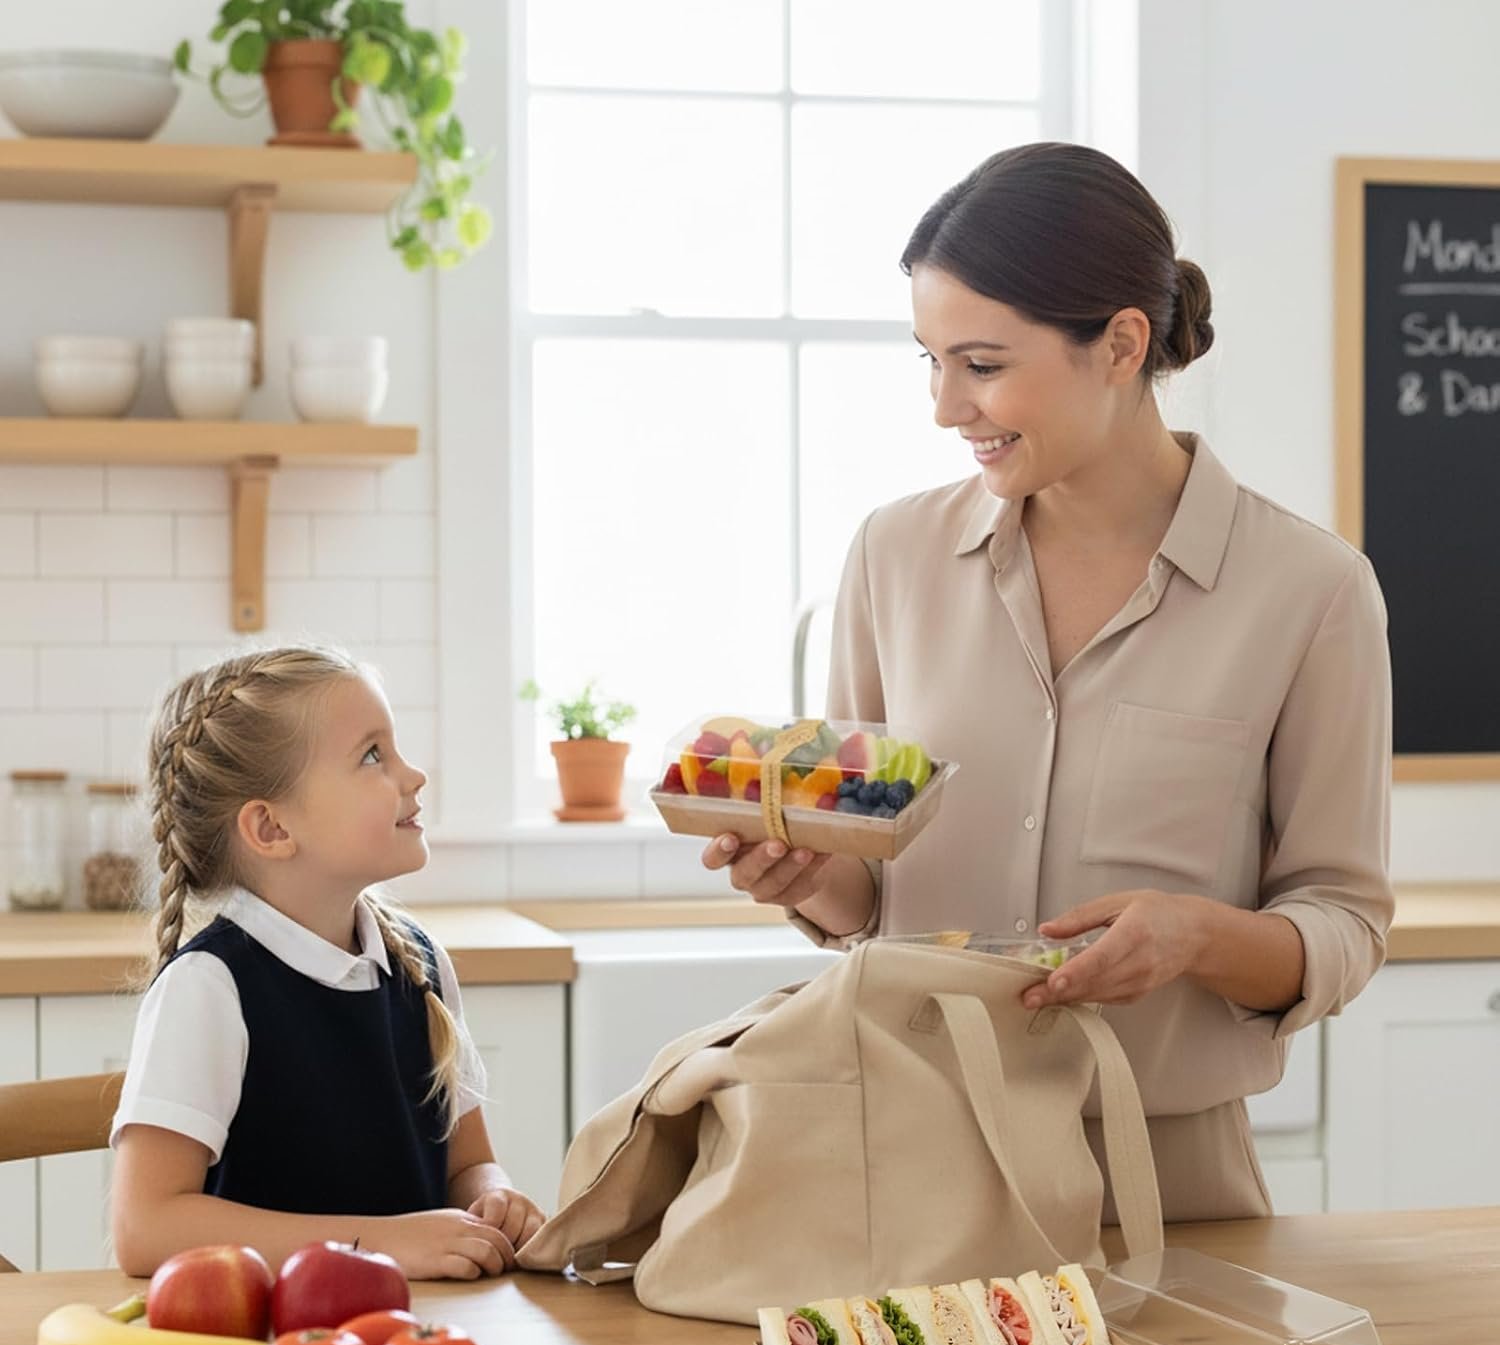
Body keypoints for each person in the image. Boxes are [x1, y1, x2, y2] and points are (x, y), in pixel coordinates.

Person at [703, 142, 1394, 1221]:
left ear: (1120, 345)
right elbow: (866, 890)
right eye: (928, 361)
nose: (945, 406)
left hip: (1167, 1186)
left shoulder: (1312, 591)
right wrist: (808, 876)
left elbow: (1345, 920)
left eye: (981, 365)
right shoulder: (893, 557)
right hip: (911, 1162)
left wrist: (1194, 936)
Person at [110, 645, 546, 1277]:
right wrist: (379, 1244)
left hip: (410, 1341)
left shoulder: (419, 965)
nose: (413, 774)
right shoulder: (210, 987)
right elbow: (145, 1228)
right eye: (373, 755)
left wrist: (493, 1200)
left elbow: (466, 1166)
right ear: (271, 829)